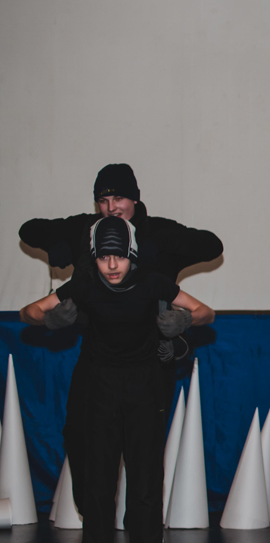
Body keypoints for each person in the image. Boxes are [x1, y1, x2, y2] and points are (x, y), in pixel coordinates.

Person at [20, 217, 214, 543]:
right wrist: (49, 318)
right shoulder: (84, 284)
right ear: (94, 256)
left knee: (145, 483)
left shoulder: (153, 282)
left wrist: (184, 319)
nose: (112, 265)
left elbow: (206, 312)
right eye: (104, 256)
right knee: (98, 485)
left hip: (144, 386)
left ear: (132, 255)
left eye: (120, 256)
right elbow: (28, 312)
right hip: (100, 386)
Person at [19, 163, 223, 516]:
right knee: (78, 434)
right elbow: (28, 230)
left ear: (135, 199)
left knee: (145, 453)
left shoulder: (156, 233)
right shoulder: (86, 230)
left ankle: (144, 532)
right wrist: (58, 244)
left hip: (151, 356)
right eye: (103, 200)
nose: (111, 207)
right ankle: (94, 515)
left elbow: (211, 245)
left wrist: (176, 304)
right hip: (98, 356)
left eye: (119, 198)